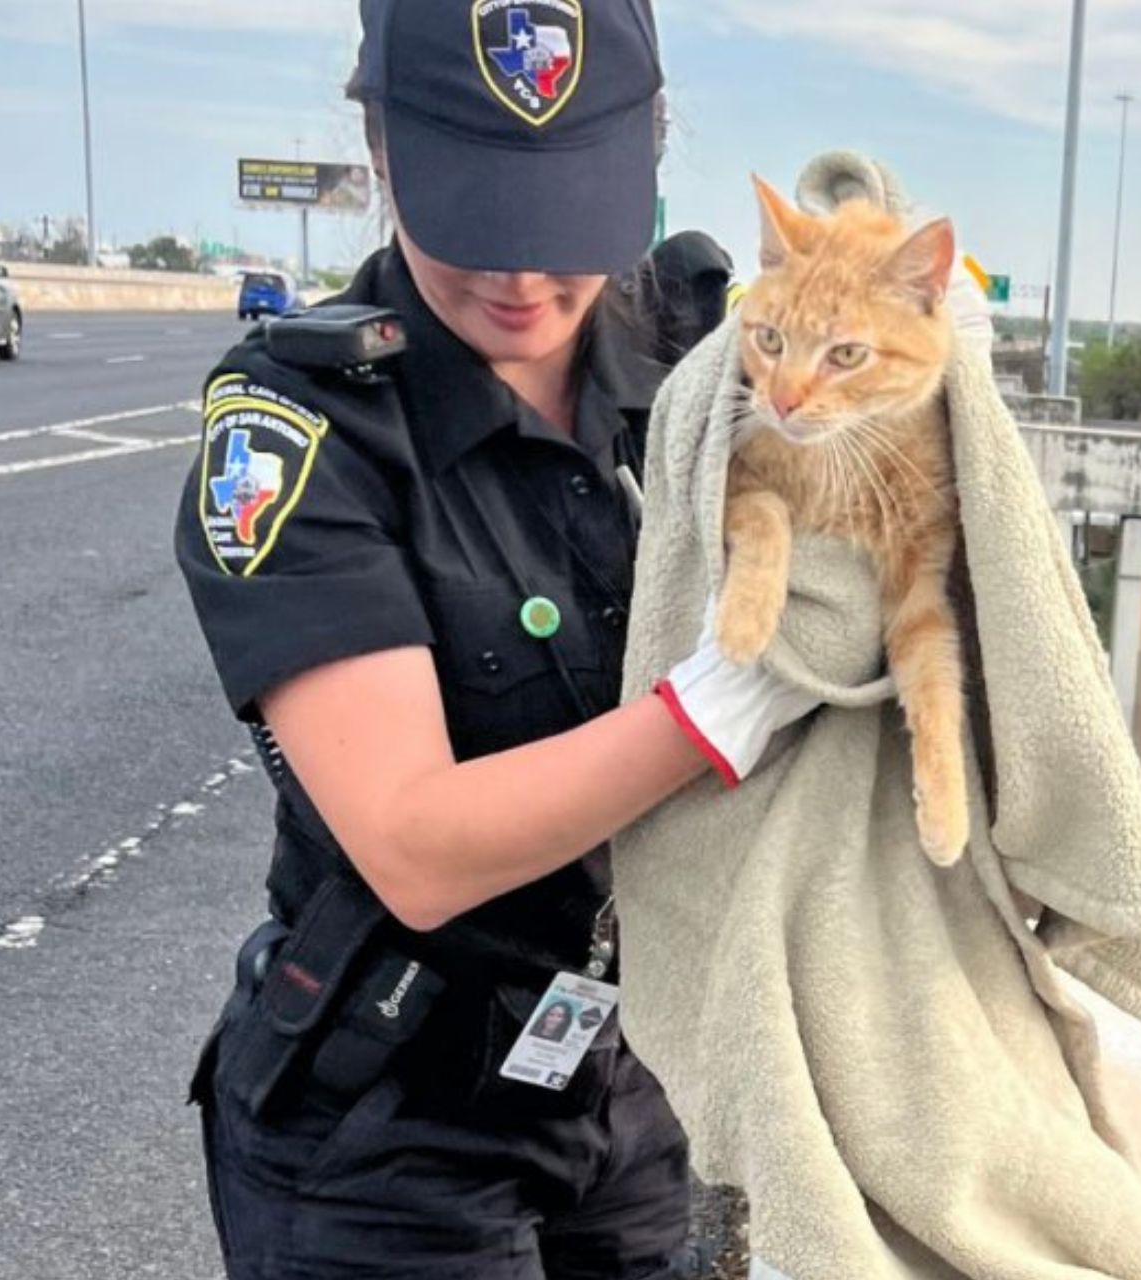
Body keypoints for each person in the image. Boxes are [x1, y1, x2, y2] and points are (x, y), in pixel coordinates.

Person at [173, 1, 819, 1275]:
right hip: (388, 1122)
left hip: (631, 1082)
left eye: (563, 221)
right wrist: (715, 711)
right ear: (384, 155)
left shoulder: (696, 363)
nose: (522, 279)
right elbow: (417, 844)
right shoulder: (301, 427)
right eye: (478, 214)